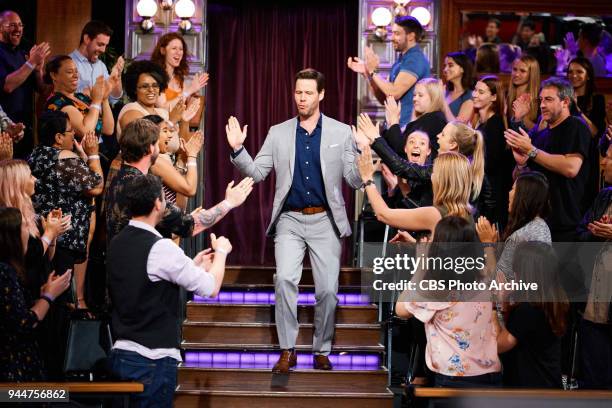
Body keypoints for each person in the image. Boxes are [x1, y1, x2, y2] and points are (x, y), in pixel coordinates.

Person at [226, 68, 362, 373]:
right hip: (289, 219)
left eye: (308, 93)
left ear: (321, 95)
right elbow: (258, 172)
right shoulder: (278, 132)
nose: (302, 98)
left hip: (325, 219)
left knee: (327, 289)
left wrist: (364, 158)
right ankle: (288, 349)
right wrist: (238, 149)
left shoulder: (341, 133)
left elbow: (353, 180)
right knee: (285, 279)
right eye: (298, 92)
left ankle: (321, 348)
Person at [107, 174, 231, 407]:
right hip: (152, 360)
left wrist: (191, 266)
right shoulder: (160, 247)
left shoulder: (118, 241)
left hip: (122, 354)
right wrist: (221, 252)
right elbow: (210, 287)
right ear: (157, 204)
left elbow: (144, 280)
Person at [104, 119, 252, 244]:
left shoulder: (117, 176)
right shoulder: (145, 186)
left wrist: (179, 219)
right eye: (156, 143)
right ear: (150, 148)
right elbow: (189, 226)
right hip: (139, 271)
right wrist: (229, 203)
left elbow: (149, 229)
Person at [395, 216, 502, 387]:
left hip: (452, 379)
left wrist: (421, 266)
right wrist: (488, 245)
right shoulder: (484, 279)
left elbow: (400, 309)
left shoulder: (434, 289)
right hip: (490, 376)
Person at [28, 110, 103, 304]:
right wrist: (93, 156)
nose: (74, 135)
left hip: (41, 235)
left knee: (43, 289)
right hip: (63, 237)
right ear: (58, 137)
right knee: (59, 298)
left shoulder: (36, 154)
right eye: (71, 132)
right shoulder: (64, 158)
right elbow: (96, 186)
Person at [360, 115, 495, 223]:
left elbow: (402, 168)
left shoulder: (447, 170)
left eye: (442, 134)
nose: (437, 136)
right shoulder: (466, 169)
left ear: (453, 145)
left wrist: (376, 139)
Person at [505, 77, 591, 242]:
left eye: (549, 100)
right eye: (541, 100)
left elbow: (571, 168)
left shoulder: (576, 126)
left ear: (565, 102)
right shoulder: (541, 134)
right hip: (537, 223)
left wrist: (531, 150)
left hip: (566, 226)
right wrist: (521, 164)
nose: (542, 105)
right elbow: (522, 179)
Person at [0, 206, 72, 381]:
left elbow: (12, 313)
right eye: (25, 226)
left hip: (20, 368)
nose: (30, 233)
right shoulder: (4, 272)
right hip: (14, 375)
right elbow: (24, 323)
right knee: (61, 397)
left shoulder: (9, 270)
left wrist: (42, 295)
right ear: (13, 236)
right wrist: (48, 297)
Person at [493, 242, 568, 388]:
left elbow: (498, 345)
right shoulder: (553, 302)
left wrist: (493, 307)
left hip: (530, 394)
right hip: (548, 388)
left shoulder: (529, 310)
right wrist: (506, 303)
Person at [358, 148, 473, 237]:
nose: (431, 176)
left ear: (444, 180)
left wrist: (368, 178)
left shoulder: (435, 214)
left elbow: (383, 215)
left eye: (434, 172)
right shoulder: (467, 214)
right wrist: (413, 242)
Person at [0, 159, 70, 298]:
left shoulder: (31, 213)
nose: (35, 179)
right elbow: (30, 257)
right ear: (17, 183)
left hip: (42, 287)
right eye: (30, 176)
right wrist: (50, 233)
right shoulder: (9, 221)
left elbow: (46, 258)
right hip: (24, 293)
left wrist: (53, 234)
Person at [348, 16, 430, 128]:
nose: (392, 38)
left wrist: (373, 71)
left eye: (397, 33)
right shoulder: (401, 60)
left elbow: (394, 92)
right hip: (394, 125)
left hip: (408, 128)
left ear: (411, 36)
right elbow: (385, 98)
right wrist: (367, 74)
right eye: (392, 33)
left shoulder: (415, 59)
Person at [576, 143, 612, 389]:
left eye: (608, 158)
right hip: (593, 313)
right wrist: (598, 234)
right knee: (593, 386)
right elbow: (580, 233)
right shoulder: (603, 197)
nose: (602, 162)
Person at [476, 171, 551, 281]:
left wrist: (487, 244)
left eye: (513, 189)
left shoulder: (519, 237)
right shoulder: (542, 225)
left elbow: (497, 283)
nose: (509, 193)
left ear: (524, 196)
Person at [0, 10, 50, 158]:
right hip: (4, 131)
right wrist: (31, 63)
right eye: (12, 25)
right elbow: (7, 86)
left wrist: (38, 69)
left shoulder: (23, 54)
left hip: (26, 130)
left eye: (20, 25)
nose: (18, 29)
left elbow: (42, 89)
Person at [472, 75, 513, 227]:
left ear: (494, 97)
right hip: (484, 193)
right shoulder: (481, 124)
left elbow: (491, 164)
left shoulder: (495, 125)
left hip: (494, 197)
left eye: (481, 92)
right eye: (475, 90)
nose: (475, 95)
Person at [44, 55, 114, 140]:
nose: (75, 76)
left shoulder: (81, 97)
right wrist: (96, 101)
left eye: (76, 72)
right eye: (70, 72)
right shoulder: (57, 102)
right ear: (54, 75)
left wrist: (104, 98)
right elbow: (85, 132)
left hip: (94, 150)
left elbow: (108, 129)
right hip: (72, 153)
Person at [568, 57, 607, 209]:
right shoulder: (563, 97)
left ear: (588, 75)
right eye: (570, 72)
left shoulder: (597, 99)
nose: (574, 75)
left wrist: (577, 110)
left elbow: (595, 131)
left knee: (585, 198)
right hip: (568, 152)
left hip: (588, 155)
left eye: (579, 72)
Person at [381, 79, 450, 158]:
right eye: (414, 95)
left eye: (420, 95)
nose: (415, 99)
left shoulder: (435, 119)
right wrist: (390, 123)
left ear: (434, 98)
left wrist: (394, 121)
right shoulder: (424, 119)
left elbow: (403, 150)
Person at [69, 20, 124, 105]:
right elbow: (62, 96)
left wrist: (117, 76)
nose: (103, 50)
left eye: (105, 45)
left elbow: (114, 98)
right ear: (87, 39)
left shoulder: (101, 66)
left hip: (100, 117)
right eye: (100, 44)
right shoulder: (68, 62)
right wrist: (90, 93)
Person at [150, 32, 208, 110]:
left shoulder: (179, 78)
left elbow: (185, 111)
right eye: (174, 48)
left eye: (181, 49)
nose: (178, 52)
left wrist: (192, 96)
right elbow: (163, 108)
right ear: (163, 51)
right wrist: (189, 90)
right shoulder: (155, 76)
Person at [507, 55, 541, 131]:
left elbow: (540, 131)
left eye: (522, 71)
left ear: (532, 74)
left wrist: (521, 116)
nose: (516, 74)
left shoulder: (539, 99)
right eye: (514, 69)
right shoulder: (506, 96)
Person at [443, 52, 475, 122]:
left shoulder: (469, 96)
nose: (445, 69)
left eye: (450, 65)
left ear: (462, 69)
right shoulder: (445, 91)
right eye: (445, 66)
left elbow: (458, 127)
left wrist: (442, 100)